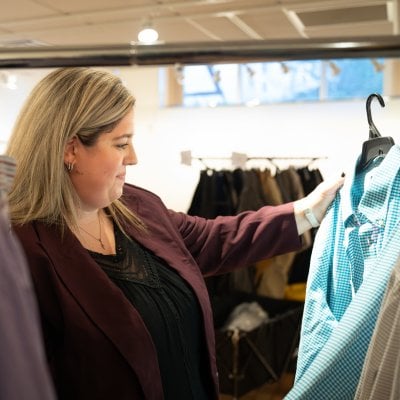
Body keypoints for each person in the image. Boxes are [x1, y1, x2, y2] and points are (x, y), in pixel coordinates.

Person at [6, 67, 344, 400]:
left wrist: (308, 210)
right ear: (71, 150)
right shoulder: (22, 253)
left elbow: (215, 239)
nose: (134, 158)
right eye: (121, 143)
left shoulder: (138, 207)